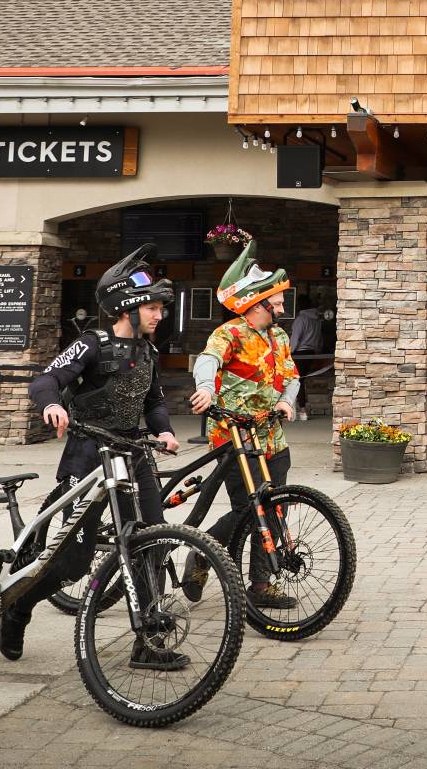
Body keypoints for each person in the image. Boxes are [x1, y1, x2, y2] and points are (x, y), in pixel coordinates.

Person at [0, 246, 185, 668]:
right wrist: (52, 404)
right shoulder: (93, 344)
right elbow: (48, 378)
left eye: (160, 308)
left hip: (134, 456)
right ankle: (19, 607)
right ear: (126, 308)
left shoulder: (149, 353)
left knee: (152, 544)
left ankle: (148, 643)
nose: (159, 315)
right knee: (72, 561)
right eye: (151, 308)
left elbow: (152, 401)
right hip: (88, 455)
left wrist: (166, 431)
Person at [186, 239, 299, 607]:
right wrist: (205, 389)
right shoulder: (229, 333)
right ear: (256, 304)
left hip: (272, 436)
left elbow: (291, 375)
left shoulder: (279, 335)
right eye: (277, 301)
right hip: (233, 435)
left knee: (273, 507)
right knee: (247, 510)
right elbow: (207, 361)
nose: (282, 306)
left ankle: (260, 585)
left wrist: (286, 400)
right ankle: (202, 553)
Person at [287, 298, 324, 420]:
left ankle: (301, 411)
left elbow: (295, 338)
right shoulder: (317, 320)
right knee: (301, 381)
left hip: (300, 353)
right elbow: (319, 338)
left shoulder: (301, 319)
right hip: (311, 353)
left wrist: (289, 352)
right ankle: (300, 411)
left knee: (297, 381)